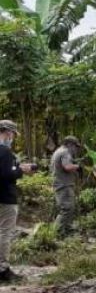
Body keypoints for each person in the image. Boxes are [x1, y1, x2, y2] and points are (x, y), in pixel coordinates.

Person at [0, 120, 36, 282]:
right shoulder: (5, 151)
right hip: (5, 197)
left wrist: (17, 166)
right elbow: (6, 175)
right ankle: (2, 269)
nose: (13, 137)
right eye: (13, 134)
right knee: (5, 233)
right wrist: (20, 170)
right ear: (7, 132)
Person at [50, 136, 82, 236]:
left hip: (60, 183)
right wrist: (78, 167)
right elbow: (67, 167)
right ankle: (56, 233)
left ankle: (66, 231)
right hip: (64, 185)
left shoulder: (58, 151)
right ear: (70, 145)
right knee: (67, 208)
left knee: (69, 208)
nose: (76, 149)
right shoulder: (65, 152)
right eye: (75, 147)